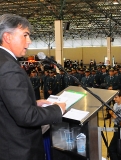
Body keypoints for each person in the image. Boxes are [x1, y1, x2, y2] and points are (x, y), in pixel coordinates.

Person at [0, 14, 66, 159]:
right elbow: (26, 117)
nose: (29, 41)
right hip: (19, 149)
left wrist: (32, 103)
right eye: (25, 35)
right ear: (8, 37)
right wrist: (57, 109)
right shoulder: (8, 67)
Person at [108, 90, 121, 160]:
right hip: (116, 128)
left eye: (116, 97)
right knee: (117, 150)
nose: (114, 99)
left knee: (111, 149)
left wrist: (112, 114)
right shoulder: (115, 105)